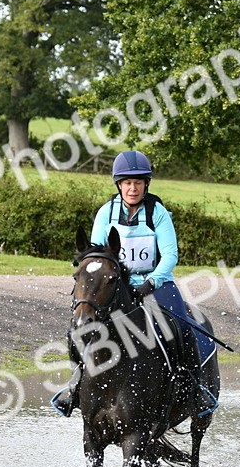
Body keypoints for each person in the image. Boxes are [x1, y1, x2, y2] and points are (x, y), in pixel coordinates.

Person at [52, 149, 218, 418]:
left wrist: (151, 283)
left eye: (138, 183)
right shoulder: (106, 213)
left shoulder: (157, 213)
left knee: (183, 327)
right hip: (115, 285)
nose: (133, 188)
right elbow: (98, 254)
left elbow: (170, 255)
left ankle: (193, 388)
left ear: (146, 184)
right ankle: (76, 386)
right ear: (119, 185)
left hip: (156, 283)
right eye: (127, 183)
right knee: (78, 329)